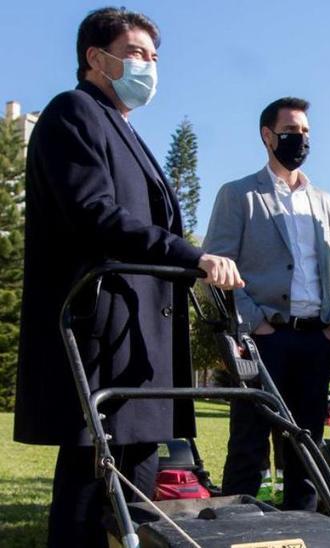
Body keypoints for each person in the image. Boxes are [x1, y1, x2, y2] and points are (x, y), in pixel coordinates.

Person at [12, 8, 242, 547]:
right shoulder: (74, 113)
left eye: (155, 58)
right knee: (93, 480)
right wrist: (191, 255)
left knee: (135, 481)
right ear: (96, 57)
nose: (150, 67)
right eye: (138, 53)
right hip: (101, 331)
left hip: (141, 338)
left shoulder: (122, 126)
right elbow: (94, 212)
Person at [204, 96, 330, 510]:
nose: (300, 139)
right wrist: (254, 323)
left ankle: (301, 529)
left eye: (306, 132)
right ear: (268, 136)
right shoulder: (239, 195)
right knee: (248, 445)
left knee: (305, 449)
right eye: (291, 131)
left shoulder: (324, 202)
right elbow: (216, 271)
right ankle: (239, 530)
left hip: (315, 340)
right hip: (262, 341)